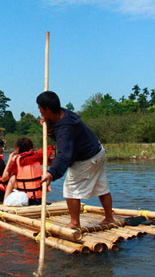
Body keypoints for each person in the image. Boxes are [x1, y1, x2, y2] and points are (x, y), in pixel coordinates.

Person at [36, 91, 115, 228]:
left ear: (47, 109)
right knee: (101, 186)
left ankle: (74, 222)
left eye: (41, 109)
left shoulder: (67, 127)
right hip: (97, 151)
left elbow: (64, 154)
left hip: (88, 158)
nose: (40, 112)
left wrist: (51, 173)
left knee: (70, 187)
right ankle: (109, 217)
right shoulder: (63, 114)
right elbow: (60, 137)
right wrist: (48, 127)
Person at [1, 137, 54, 205]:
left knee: (12, 178)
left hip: (24, 199)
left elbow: (4, 178)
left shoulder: (17, 160)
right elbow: (51, 163)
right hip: (39, 199)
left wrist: (9, 160)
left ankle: (5, 202)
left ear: (18, 148)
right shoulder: (37, 157)